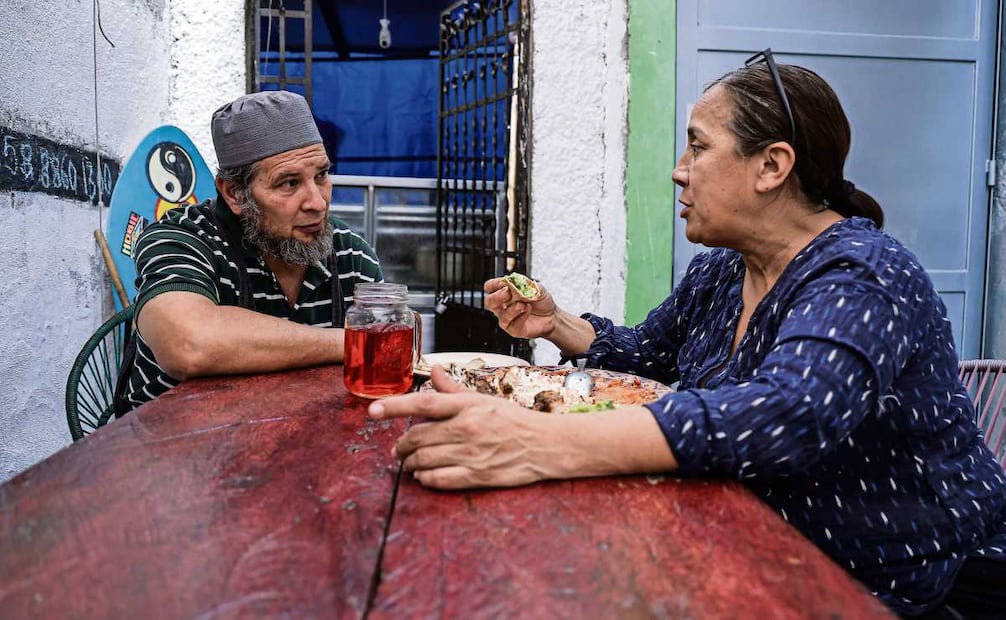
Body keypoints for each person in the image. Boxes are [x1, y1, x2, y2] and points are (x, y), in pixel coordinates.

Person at [368, 53, 1006, 616]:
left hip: (895, 585)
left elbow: (786, 413)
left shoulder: (865, 274)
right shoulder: (723, 270)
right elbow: (647, 356)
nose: (679, 171)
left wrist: (540, 441)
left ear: (771, 166)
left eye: (698, 148)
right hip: (743, 546)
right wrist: (555, 324)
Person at [118, 90, 382, 412]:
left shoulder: (351, 256)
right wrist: (353, 342)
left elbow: (387, 355)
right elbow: (188, 344)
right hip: (169, 435)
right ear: (234, 193)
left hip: (293, 428)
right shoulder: (182, 238)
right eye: (289, 183)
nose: (318, 203)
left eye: (321, 176)